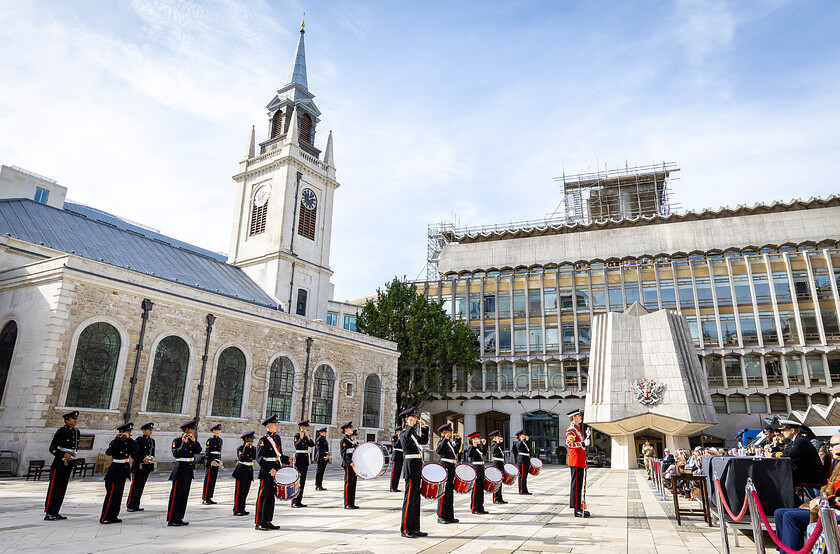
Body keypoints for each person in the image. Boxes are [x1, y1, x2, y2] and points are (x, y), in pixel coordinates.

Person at [774, 432, 840, 551]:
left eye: (833, 445)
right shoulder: (838, 464)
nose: (829, 448)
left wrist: (822, 501)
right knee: (779, 513)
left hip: (833, 509)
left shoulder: (802, 441)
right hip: (826, 504)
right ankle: (784, 551)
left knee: (790, 517)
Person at [254, 414, 290, 530]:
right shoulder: (263, 440)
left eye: (276, 424)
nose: (276, 426)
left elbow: (279, 455)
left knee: (271, 497)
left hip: (276, 471)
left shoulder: (277, 438)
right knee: (263, 496)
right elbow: (259, 458)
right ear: (268, 426)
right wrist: (270, 469)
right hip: (267, 472)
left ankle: (268, 520)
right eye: (274, 424)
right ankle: (259, 522)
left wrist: (288, 459)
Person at [44, 410, 81, 521]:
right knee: (54, 487)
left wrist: (73, 459)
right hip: (60, 462)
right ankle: (49, 512)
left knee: (62, 488)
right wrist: (63, 455)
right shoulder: (61, 431)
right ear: (67, 420)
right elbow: (53, 448)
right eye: (73, 418)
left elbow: (74, 448)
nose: (75, 420)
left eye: (76, 419)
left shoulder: (76, 432)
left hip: (69, 462)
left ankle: (56, 511)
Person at [399, 407, 429, 538]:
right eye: (413, 418)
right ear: (406, 419)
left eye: (415, 418)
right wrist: (410, 426)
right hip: (410, 468)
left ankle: (415, 528)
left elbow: (423, 441)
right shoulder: (403, 433)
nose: (415, 420)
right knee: (409, 500)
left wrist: (425, 428)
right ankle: (405, 529)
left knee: (416, 501)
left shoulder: (412, 433)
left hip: (417, 467)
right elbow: (405, 443)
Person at [100, 422, 138, 524]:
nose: (129, 433)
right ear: (122, 432)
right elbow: (109, 452)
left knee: (118, 495)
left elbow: (135, 448)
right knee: (111, 495)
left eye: (130, 432)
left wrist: (128, 438)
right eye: (127, 431)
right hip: (115, 470)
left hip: (123, 470)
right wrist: (118, 439)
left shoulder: (128, 441)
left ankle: (113, 516)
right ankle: (105, 517)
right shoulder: (116, 441)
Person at [167, 419, 202, 526]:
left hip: (188, 469)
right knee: (176, 495)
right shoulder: (177, 440)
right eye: (192, 429)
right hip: (180, 468)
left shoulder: (192, 440)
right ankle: (172, 519)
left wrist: (194, 441)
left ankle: (179, 517)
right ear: (187, 430)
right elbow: (176, 454)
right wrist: (184, 442)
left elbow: (198, 450)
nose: (194, 431)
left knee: (184, 495)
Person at [775, 419, 827, 490]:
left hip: (812, 475)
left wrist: (773, 455)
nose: (782, 432)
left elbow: (790, 453)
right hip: (805, 473)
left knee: (784, 478)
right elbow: (785, 451)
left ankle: (791, 500)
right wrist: (774, 449)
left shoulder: (801, 441)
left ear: (792, 430)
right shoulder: (794, 441)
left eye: (784, 430)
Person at [566, 409, 590, 518]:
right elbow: (570, 444)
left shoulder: (577, 429)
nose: (581, 417)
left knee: (579, 485)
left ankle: (579, 507)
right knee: (575, 485)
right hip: (575, 459)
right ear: (574, 417)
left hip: (579, 459)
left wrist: (584, 443)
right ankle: (576, 509)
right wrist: (582, 443)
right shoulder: (571, 429)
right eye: (579, 416)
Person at [126, 422, 155, 512]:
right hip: (138, 467)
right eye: (148, 430)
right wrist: (142, 459)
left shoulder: (152, 441)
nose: (150, 431)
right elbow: (133, 454)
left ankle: (136, 504)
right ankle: (130, 505)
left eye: (151, 430)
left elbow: (152, 454)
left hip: (146, 468)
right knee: (135, 487)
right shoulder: (138, 440)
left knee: (141, 487)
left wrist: (151, 467)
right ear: (143, 431)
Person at [435, 422, 460, 524]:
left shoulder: (449, 443)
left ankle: (449, 515)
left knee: (449, 492)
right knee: (443, 492)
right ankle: (441, 515)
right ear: (444, 432)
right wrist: (445, 438)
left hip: (451, 467)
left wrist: (458, 440)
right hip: (444, 467)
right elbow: (439, 451)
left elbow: (456, 451)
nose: (451, 434)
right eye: (449, 432)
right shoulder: (442, 441)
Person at [291, 420, 315, 508]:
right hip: (299, 458)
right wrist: (301, 438)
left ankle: (299, 501)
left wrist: (308, 437)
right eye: (306, 426)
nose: (308, 427)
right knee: (297, 480)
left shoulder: (307, 436)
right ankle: (294, 501)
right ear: (302, 427)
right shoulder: (297, 435)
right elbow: (297, 446)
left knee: (303, 481)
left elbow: (312, 445)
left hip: (305, 459)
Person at [232, 431, 256, 516]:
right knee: (239, 491)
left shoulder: (253, 448)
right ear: (246, 439)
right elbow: (241, 458)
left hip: (249, 470)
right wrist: (246, 448)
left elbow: (255, 457)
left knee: (245, 491)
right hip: (241, 471)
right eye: (250, 438)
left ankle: (242, 508)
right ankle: (237, 510)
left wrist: (251, 448)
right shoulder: (240, 448)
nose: (252, 440)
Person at [466, 431, 488, 515]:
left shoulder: (478, 448)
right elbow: (469, 455)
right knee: (476, 489)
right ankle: (474, 507)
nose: (479, 439)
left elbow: (484, 452)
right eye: (478, 438)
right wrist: (474, 445)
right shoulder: (471, 447)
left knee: (480, 489)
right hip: (476, 468)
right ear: (473, 439)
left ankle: (480, 507)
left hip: (481, 468)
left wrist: (484, 444)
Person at [340, 421, 359, 509]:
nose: (352, 429)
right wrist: (349, 462)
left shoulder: (351, 440)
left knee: (353, 483)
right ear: (346, 430)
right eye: (350, 428)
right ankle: (347, 503)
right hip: (348, 464)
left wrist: (356, 442)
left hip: (354, 464)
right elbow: (343, 454)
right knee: (348, 483)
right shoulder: (344, 441)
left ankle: (352, 503)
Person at [202, 423, 223, 505]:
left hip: (216, 461)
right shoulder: (210, 440)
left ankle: (210, 497)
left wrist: (219, 461)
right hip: (211, 462)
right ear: (214, 431)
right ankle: (205, 498)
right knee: (208, 480)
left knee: (213, 480)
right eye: (218, 430)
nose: (219, 431)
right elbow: (207, 453)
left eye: (220, 430)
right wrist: (210, 461)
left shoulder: (220, 440)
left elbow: (219, 452)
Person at [489, 430, 507, 505]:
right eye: (498, 437)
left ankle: (500, 498)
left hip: (500, 463)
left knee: (500, 483)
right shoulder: (493, 444)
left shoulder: (498, 445)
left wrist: (501, 443)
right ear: (494, 437)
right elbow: (494, 451)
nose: (499, 438)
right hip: (496, 464)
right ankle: (496, 498)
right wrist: (497, 443)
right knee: (497, 482)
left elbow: (501, 451)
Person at [513, 430, 532, 495]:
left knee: (525, 476)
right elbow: (519, 447)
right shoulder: (518, 442)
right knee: (521, 476)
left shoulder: (524, 442)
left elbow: (528, 449)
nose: (524, 436)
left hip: (526, 460)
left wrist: (527, 441)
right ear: (520, 436)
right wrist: (521, 440)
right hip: (522, 461)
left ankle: (525, 490)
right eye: (523, 435)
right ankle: (521, 490)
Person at [390, 424, 404, 492]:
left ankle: (396, 487)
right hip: (396, 455)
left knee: (398, 472)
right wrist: (398, 438)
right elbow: (395, 445)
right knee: (394, 472)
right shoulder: (394, 437)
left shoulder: (402, 438)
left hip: (401, 455)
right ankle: (392, 487)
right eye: (400, 431)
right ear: (397, 432)